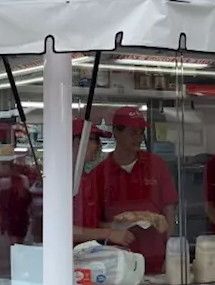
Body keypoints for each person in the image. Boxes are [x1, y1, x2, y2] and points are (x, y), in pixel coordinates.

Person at [75, 107, 178, 274]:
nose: (138, 138)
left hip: (156, 258)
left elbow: (169, 212)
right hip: (117, 264)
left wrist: (170, 255)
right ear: (116, 132)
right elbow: (94, 221)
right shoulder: (99, 174)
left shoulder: (157, 166)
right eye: (133, 133)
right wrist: (115, 228)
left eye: (141, 132)